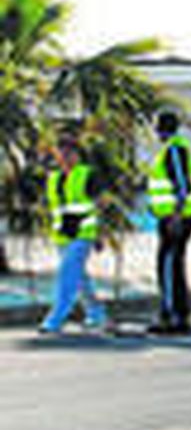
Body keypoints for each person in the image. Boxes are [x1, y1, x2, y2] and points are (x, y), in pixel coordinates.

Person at [38, 135, 108, 334]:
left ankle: (55, 318)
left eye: (70, 153)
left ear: (77, 155)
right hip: (62, 236)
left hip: (83, 233)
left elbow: (101, 204)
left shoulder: (87, 175)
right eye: (62, 153)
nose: (66, 157)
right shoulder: (53, 179)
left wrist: (100, 234)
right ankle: (95, 312)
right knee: (79, 277)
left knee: (66, 275)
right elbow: (54, 208)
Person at [147, 110, 191, 334]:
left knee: (168, 266)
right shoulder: (173, 149)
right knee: (172, 265)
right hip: (172, 216)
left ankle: (172, 316)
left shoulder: (175, 149)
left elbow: (182, 184)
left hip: (177, 218)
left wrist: (176, 215)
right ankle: (178, 314)